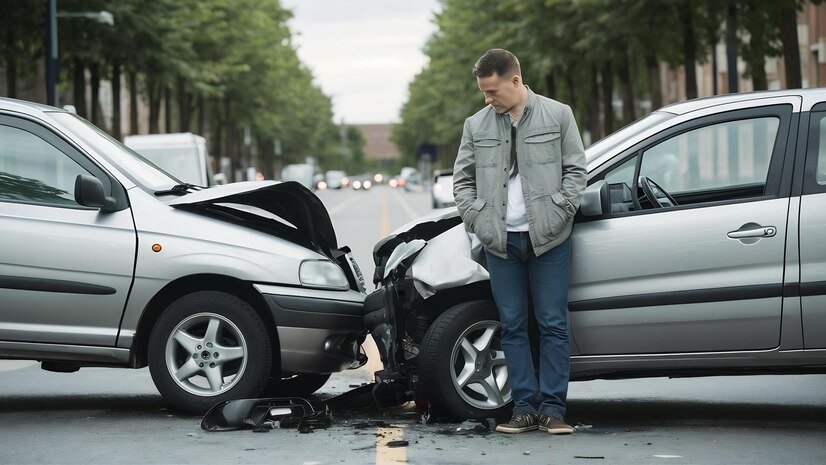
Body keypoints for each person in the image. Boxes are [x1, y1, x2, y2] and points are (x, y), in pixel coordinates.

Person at [453, 49, 586, 434]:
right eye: (483, 92)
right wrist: (478, 219)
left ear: (515, 81)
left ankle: (554, 410)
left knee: (552, 323)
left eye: (492, 91)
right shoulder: (475, 125)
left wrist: (561, 210)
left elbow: (576, 169)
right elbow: (462, 181)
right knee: (512, 325)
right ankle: (524, 408)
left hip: (549, 239)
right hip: (501, 243)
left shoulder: (558, 114)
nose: (487, 99)